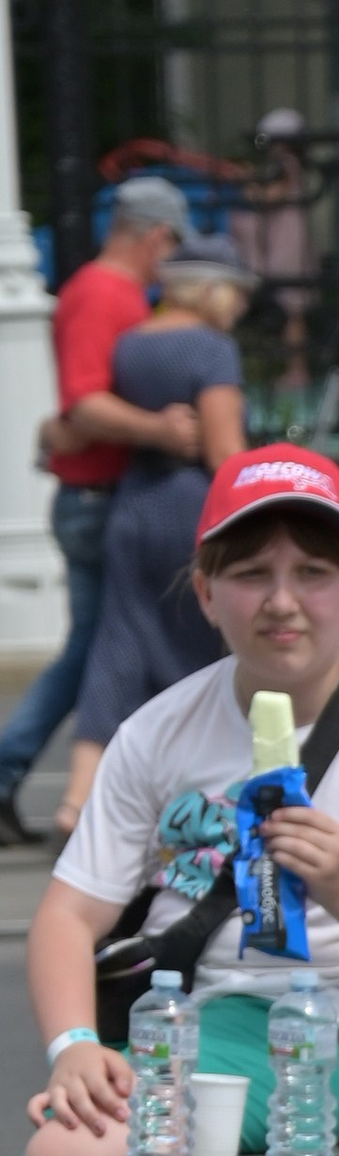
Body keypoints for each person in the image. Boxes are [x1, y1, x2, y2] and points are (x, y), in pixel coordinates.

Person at [10, 449, 339, 1156]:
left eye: (313, 572)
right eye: (249, 575)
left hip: (319, 1034)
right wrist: (72, 1044)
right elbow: (69, 916)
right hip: (172, 1011)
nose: (283, 601)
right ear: (205, 592)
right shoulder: (158, 730)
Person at [0, 173, 200, 847]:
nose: (171, 264)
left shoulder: (110, 294)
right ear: (155, 237)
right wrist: (160, 429)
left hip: (101, 498)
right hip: (96, 502)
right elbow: (84, 404)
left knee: (105, 650)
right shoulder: (102, 295)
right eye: (172, 247)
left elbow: (76, 414)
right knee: (101, 653)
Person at [55, 247, 251, 832]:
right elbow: (223, 451)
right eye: (238, 294)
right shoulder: (212, 349)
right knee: (204, 650)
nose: (242, 306)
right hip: (191, 511)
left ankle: (77, 800)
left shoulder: (132, 343)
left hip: (133, 506)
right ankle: (209, 796)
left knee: (118, 650)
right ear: (214, 292)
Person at [235, 109, 318, 386]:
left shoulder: (287, 165)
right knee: (288, 309)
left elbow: (269, 196)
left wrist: (247, 183)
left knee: (293, 309)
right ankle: (290, 368)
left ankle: (297, 371)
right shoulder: (288, 165)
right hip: (283, 242)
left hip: (287, 245)